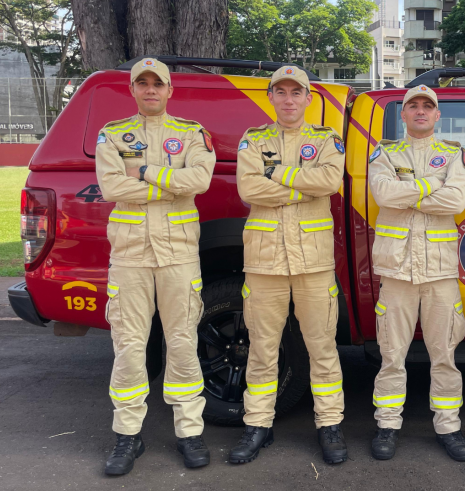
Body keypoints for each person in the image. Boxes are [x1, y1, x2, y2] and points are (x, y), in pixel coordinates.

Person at [95, 58, 216, 476]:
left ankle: (189, 431)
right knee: (129, 346)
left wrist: (144, 171)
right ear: (133, 90)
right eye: (142, 83)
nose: (150, 90)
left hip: (179, 255)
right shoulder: (112, 135)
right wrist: (170, 183)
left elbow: (199, 181)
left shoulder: (191, 133)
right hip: (129, 256)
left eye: (157, 84)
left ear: (169, 89)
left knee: (182, 342)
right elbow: (112, 187)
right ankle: (128, 435)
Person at [231, 65, 348, 465]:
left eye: (296, 92)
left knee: (322, 348)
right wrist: (302, 184)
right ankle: (257, 426)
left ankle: (329, 425)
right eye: (280, 92)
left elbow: (330, 182)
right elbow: (249, 188)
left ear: (308, 98)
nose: (288, 99)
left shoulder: (326, 139)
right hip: (264, 263)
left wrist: (276, 175)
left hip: (313, 263)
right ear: (271, 98)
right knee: (262, 350)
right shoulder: (253, 138)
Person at [367, 85, 465, 461]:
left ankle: (449, 427)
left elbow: (456, 200)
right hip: (396, 271)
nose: (421, 111)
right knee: (391, 353)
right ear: (404, 113)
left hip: (440, 272)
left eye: (428, 106)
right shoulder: (385, 151)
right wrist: (431, 184)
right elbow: (383, 194)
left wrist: (407, 189)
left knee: (444, 353)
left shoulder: (453, 154)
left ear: (437, 115)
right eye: (414, 105)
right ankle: (387, 424)